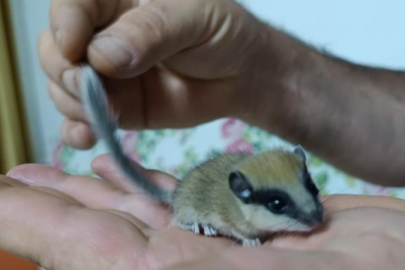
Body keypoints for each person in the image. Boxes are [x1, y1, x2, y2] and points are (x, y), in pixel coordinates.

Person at [1, 0, 405, 269]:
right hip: (194, 203)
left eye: (311, 196)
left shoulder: (263, 201)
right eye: (282, 204)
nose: (314, 215)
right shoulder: (236, 212)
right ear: (244, 194)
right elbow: (233, 221)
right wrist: (266, 72)